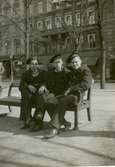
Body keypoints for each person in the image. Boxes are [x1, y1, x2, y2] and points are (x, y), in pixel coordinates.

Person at [44, 53, 92, 139]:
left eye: (76, 62)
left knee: (62, 100)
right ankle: (65, 123)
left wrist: (71, 88)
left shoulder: (85, 70)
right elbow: (59, 67)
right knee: (49, 102)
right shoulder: (71, 69)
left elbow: (86, 84)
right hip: (67, 95)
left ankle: (55, 128)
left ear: (80, 62)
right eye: (73, 62)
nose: (74, 64)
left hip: (77, 96)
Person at [37, 54, 71, 133]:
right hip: (52, 94)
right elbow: (46, 82)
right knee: (43, 98)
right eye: (56, 63)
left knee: (48, 102)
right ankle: (64, 123)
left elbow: (67, 88)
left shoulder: (67, 73)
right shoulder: (51, 72)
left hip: (63, 95)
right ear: (53, 64)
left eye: (59, 62)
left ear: (62, 62)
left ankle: (54, 125)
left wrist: (54, 94)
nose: (58, 64)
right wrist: (43, 86)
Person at [19, 57, 45, 129]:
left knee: (40, 98)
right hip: (29, 96)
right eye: (32, 64)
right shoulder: (25, 74)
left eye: (36, 64)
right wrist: (28, 86)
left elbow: (47, 82)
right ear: (29, 65)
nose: (34, 65)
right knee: (25, 94)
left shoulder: (43, 73)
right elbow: (21, 85)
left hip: (39, 95)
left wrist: (43, 86)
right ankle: (28, 119)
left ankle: (38, 122)